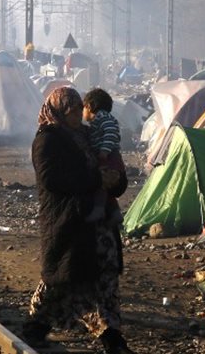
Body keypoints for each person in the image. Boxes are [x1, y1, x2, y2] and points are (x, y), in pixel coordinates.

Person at [24, 87, 133, 354]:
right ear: (59, 111)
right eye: (71, 112)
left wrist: (116, 180)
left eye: (77, 111)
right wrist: (97, 179)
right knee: (61, 279)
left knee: (105, 276)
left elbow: (112, 164)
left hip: (99, 221)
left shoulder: (87, 136)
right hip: (68, 221)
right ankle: (36, 326)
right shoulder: (47, 140)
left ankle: (112, 337)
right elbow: (52, 180)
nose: (76, 117)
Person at [83, 88, 123, 223]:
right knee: (107, 187)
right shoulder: (97, 121)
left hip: (109, 157)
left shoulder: (103, 117)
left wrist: (104, 151)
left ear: (88, 107)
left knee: (102, 183)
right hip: (107, 156)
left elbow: (111, 132)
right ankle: (115, 212)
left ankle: (98, 210)